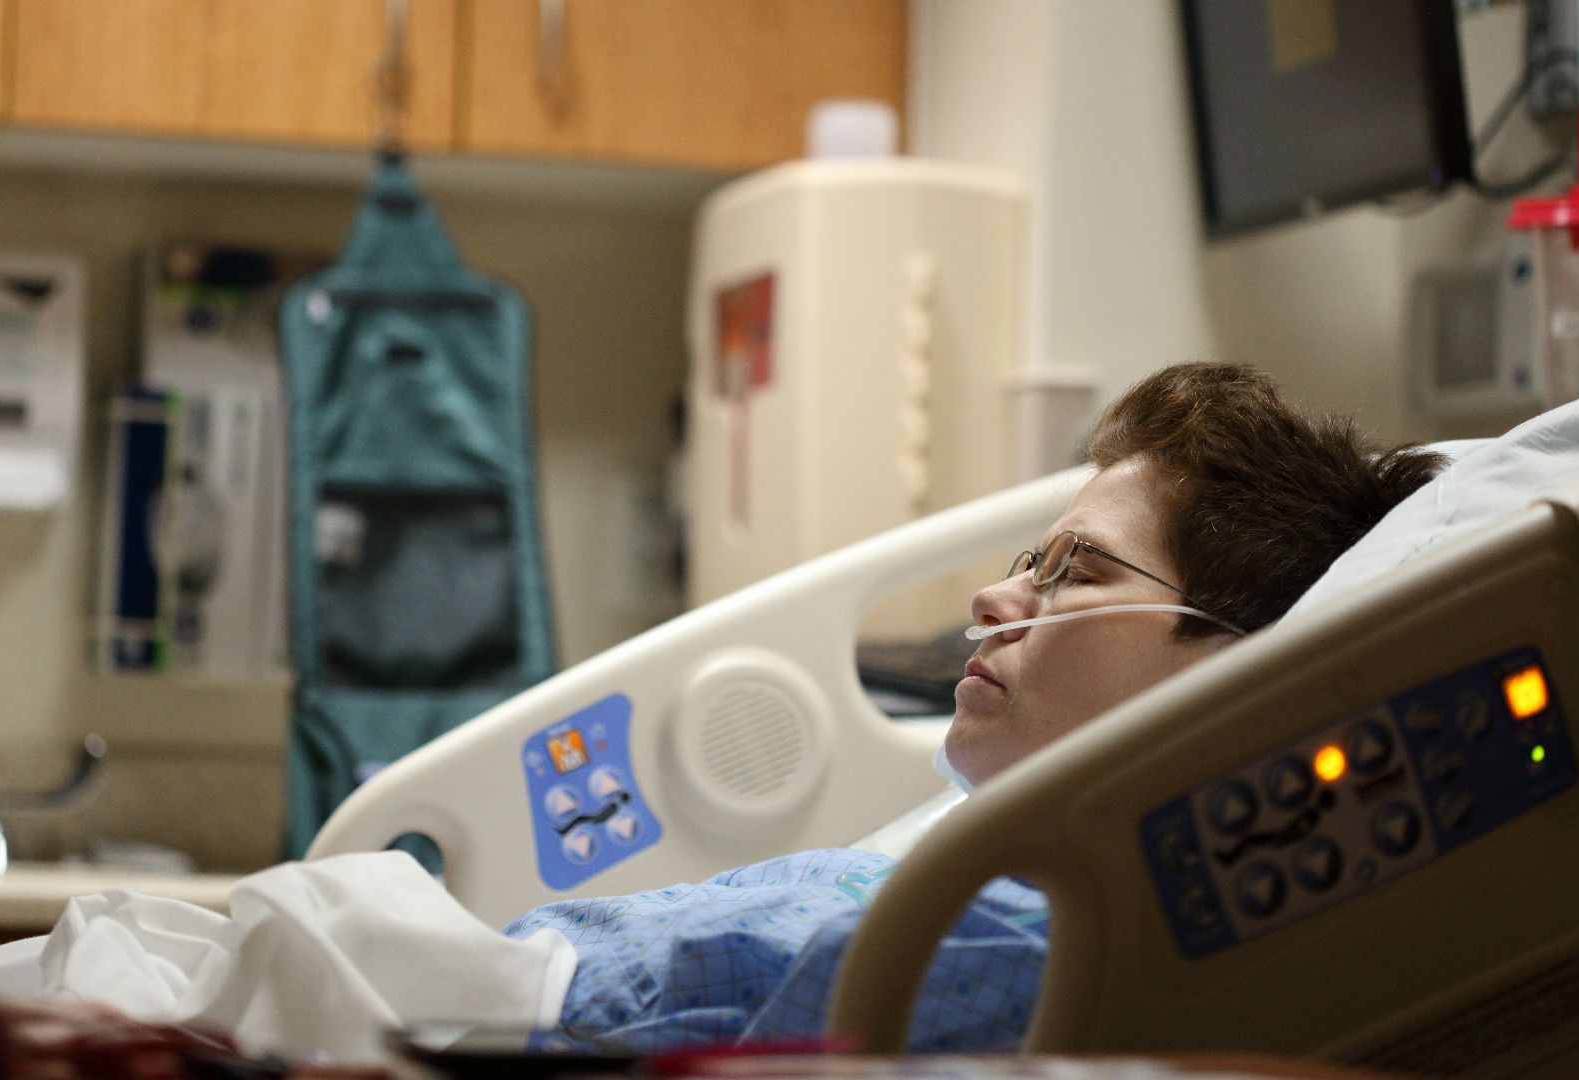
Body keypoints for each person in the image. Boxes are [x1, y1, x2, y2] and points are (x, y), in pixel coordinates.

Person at [504, 363, 1445, 1052]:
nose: (993, 602)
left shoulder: (1026, 943)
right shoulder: (965, 884)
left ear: (1230, 670)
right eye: (1027, 564)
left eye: (1076, 571)